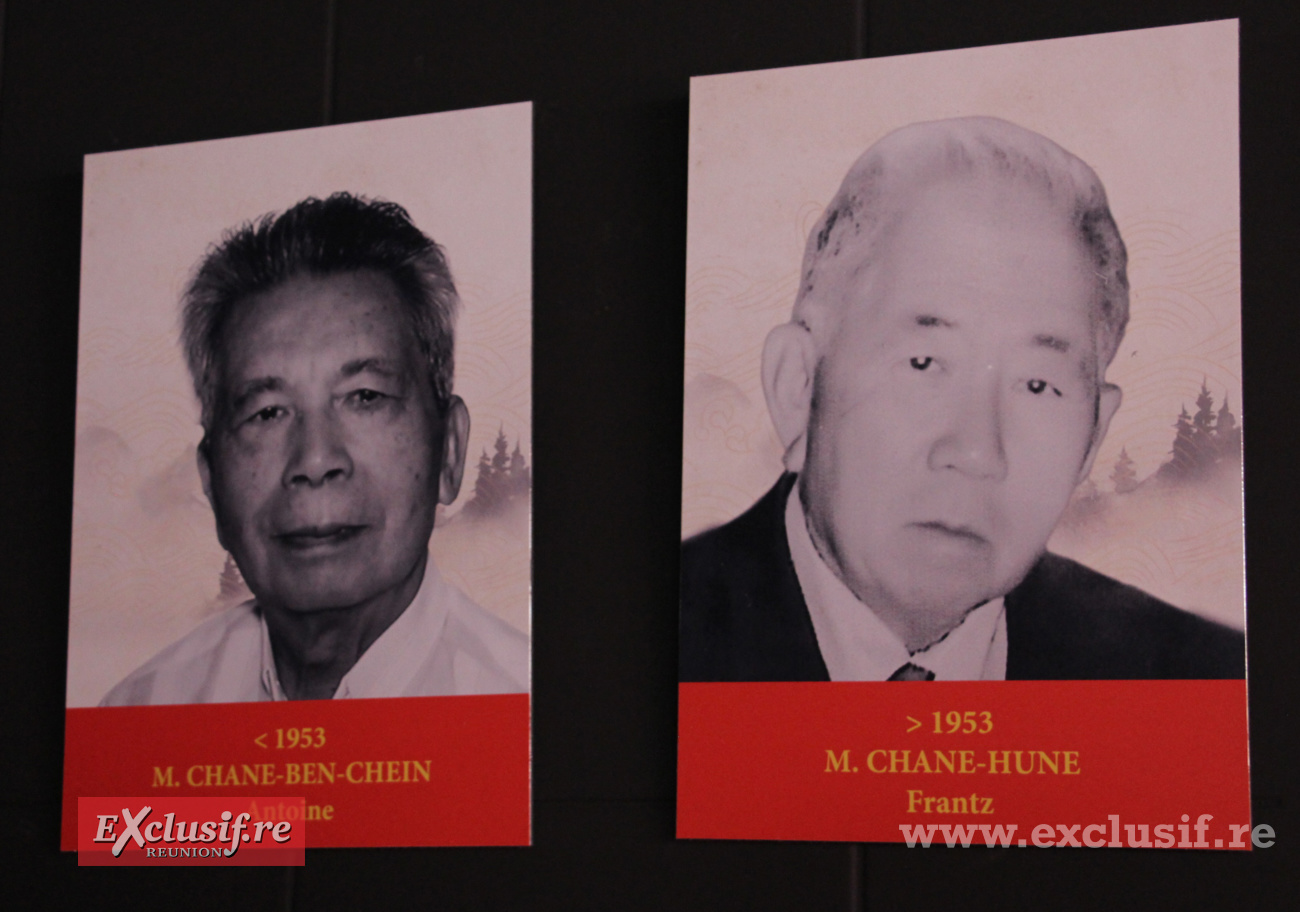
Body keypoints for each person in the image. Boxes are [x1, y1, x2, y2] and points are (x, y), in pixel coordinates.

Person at [679, 117, 1245, 682]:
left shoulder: (1197, 680)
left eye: (1037, 385)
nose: (976, 451)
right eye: (923, 363)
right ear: (797, 386)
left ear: (1093, 438)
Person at [103, 193, 528, 705]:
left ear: (450, 451)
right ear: (211, 483)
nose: (315, 461)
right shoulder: (140, 718)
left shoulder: (529, 711)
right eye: (267, 412)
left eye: (364, 397)